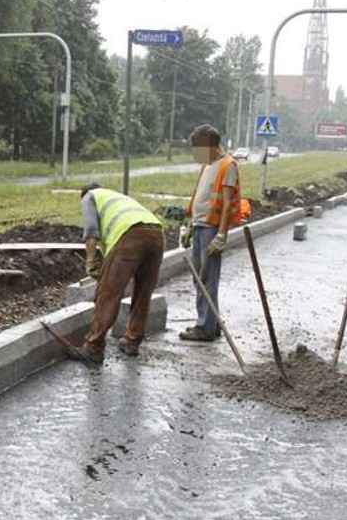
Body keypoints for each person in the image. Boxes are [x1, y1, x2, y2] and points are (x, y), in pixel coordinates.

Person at [70, 183, 166, 364]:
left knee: (108, 293)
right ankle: (132, 342)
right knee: (143, 293)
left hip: (130, 236)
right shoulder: (116, 197)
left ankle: (94, 347)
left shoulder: (89, 197)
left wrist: (90, 261)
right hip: (157, 234)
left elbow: (91, 231)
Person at [179, 124, 240, 342]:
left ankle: (205, 327)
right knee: (200, 278)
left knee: (208, 278)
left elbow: (226, 204)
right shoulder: (207, 166)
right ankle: (210, 324)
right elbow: (199, 196)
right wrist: (189, 224)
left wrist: (221, 234)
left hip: (211, 229)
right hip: (199, 225)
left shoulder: (228, 165)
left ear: (211, 146)